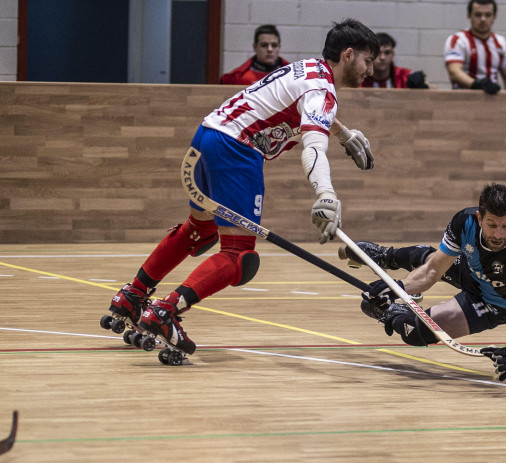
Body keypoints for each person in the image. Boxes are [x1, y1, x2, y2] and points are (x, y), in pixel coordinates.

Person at [106, 19, 380, 357]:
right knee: (239, 256)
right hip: (237, 148)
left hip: (208, 136)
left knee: (201, 229)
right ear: (349, 55)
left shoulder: (308, 69)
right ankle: (166, 311)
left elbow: (299, 105)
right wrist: (326, 194)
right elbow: (312, 147)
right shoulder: (322, 91)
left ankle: (134, 294)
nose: (371, 70)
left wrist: (343, 133)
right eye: (368, 60)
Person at [342, 183, 506, 381]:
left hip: (491, 304)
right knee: (431, 260)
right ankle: (386, 256)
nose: (499, 234)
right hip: (469, 270)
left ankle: (391, 314)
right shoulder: (464, 222)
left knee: (412, 332)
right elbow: (431, 272)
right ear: (480, 218)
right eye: (492, 225)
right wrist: (396, 288)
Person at [444, 0, 506, 94]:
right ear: (469, 15)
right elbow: (454, 72)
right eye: (478, 15)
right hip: (463, 100)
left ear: (494, 17)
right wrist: (476, 84)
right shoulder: (458, 40)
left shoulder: (501, 43)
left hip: (492, 100)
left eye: (488, 15)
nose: (483, 19)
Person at [220, 24, 291, 85]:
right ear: (255, 47)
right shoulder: (238, 78)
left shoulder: (291, 75)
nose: (270, 49)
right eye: (264, 45)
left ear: (279, 47)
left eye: (274, 45)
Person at [361, 32, 429, 89]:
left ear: (393, 55)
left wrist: (423, 86)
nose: (382, 57)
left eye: (387, 52)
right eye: (378, 53)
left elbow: (435, 92)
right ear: (371, 55)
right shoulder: (360, 77)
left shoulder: (405, 75)